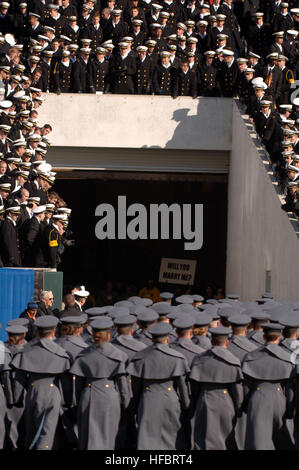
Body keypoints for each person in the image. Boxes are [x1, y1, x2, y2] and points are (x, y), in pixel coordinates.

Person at [127, 322, 190, 450]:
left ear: (152, 338)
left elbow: (135, 389)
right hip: (170, 399)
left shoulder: (140, 357)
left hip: (148, 398)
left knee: (148, 438)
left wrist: (133, 408)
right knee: (171, 437)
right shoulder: (177, 358)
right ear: (167, 339)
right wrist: (186, 405)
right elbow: (183, 388)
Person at [10, 316, 70, 450]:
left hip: (32, 391)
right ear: (54, 331)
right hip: (52, 391)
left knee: (31, 432)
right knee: (46, 433)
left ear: (37, 331)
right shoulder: (60, 352)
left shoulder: (26, 350)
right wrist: (68, 401)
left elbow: (19, 378)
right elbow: (65, 380)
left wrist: (18, 399)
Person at [70, 317, 131, 450]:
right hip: (110, 395)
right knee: (108, 436)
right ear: (109, 334)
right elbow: (122, 384)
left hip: (88, 393)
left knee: (87, 436)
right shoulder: (118, 354)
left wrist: (77, 404)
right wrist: (126, 403)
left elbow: (78, 386)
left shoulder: (84, 355)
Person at [242, 322, 296, 450]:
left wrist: (245, 405)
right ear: (279, 337)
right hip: (279, 397)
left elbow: (245, 386)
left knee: (258, 439)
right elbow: (290, 389)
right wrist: (289, 409)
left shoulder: (250, 356)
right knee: (279, 438)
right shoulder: (287, 358)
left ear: (264, 337)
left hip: (257, 396)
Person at [189, 326, 244, 450]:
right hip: (226, 401)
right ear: (227, 342)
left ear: (211, 341)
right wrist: (238, 407)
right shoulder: (233, 361)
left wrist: (197, 401)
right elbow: (237, 390)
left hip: (204, 399)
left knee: (202, 437)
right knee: (225, 439)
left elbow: (194, 387)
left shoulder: (199, 359)